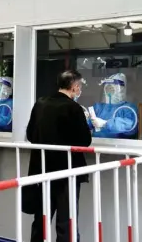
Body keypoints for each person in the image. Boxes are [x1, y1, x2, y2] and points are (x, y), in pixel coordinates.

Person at [24, 70, 92, 242]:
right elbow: (84, 141)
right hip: (66, 172)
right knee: (66, 220)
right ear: (75, 87)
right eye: (80, 87)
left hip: (42, 169)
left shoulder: (40, 103)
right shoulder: (74, 108)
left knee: (41, 217)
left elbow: (31, 134)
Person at [87, 73, 139, 139]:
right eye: (108, 88)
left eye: (112, 88)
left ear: (121, 89)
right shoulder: (99, 107)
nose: (109, 91)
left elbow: (130, 126)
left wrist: (105, 123)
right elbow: (87, 124)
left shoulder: (128, 108)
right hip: (97, 144)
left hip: (117, 146)